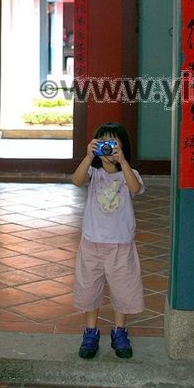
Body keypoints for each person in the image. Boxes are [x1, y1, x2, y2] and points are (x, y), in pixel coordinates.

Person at [71, 122, 145, 359]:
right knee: (89, 288)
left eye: (113, 144)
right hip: (92, 242)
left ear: (123, 148)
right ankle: (90, 332)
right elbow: (76, 180)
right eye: (103, 143)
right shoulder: (93, 173)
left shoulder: (129, 174)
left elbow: (134, 188)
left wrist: (123, 162)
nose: (108, 149)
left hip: (121, 244)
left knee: (123, 289)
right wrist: (87, 156)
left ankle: (119, 331)